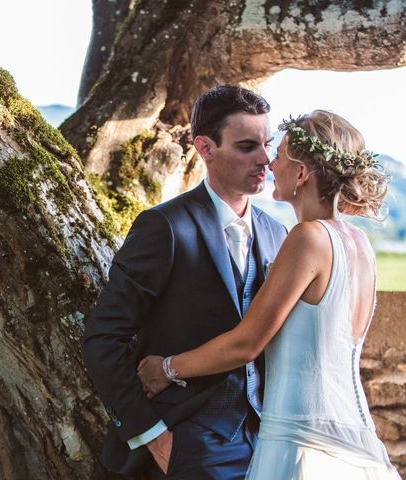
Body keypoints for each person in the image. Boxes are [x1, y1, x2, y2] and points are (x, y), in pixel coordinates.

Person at [138, 110, 400, 479]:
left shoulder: (309, 238)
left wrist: (166, 368)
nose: (269, 163)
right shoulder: (359, 244)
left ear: (302, 173)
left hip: (301, 440)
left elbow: (246, 343)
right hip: (353, 438)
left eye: (279, 155)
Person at [82, 84, 287, 478]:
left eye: (268, 144)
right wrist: (153, 438)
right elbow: (102, 338)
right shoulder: (165, 227)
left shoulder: (278, 234)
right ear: (205, 148)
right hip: (186, 440)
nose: (265, 159)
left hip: (267, 442)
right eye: (247, 146)